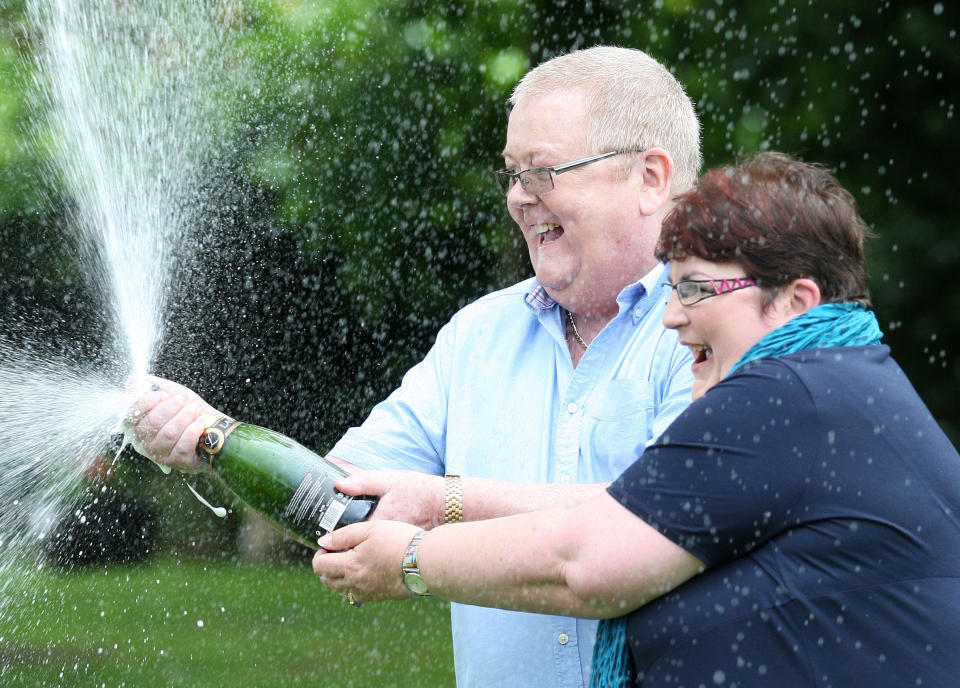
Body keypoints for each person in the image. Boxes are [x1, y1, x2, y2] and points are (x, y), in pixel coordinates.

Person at [132, 46, 702, 688]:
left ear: (651, 178)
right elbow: (340, 497)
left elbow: (659, 519)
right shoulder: (477, 336)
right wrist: (214, 438)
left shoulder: (718, 333)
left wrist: (440, 508)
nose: (519, 199)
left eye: (542, 173)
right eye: (512, 174)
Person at [311, 152, 960, 687]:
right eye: (672, 288)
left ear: (796, 300)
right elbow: (622, 517)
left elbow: (583, 563)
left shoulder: (790, 393)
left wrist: (411, 558)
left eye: (697, 289)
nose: (673, 317)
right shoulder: (836, 388)